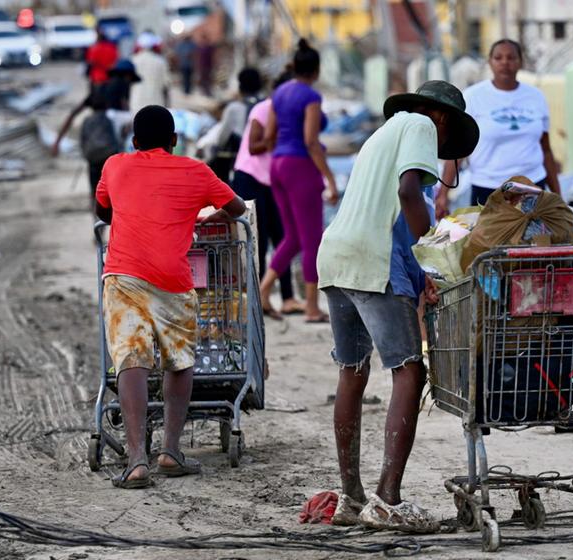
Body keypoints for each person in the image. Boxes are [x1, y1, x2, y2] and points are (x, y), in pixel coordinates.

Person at [315, 81, 478, 532]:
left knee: (352, 371)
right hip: (372, 262)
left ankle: (351, 497)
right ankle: (388, 498)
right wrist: (433, 255)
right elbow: (408, 194)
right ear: (442, 118)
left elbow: (393, 209)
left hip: (336, 256)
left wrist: (419, 269)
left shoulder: (382, 135)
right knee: (409, 370)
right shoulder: (422, 125)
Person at [96, 105, 247, 489]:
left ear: (134, 141)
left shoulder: (115, 165)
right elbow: (237, 208)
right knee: (179, 361)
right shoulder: (196, 171)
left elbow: (104, 211)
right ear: (175, 140)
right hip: (173, 281)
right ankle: (170, 451)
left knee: (131, 358)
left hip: (124, 276)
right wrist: (204, 214)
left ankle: (136, 461)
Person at [259, 40, 338, 322]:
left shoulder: (279, 93)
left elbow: (268, 136)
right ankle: (312, 307)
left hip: (278, 165)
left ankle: (263, 290)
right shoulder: (311, 97)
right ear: (316, 70)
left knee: (293, 237)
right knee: (311, 238)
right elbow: (311, 141)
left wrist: (281, 157)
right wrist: (330, 179)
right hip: (300, 167)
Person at [438, 39, 560, 216]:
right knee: (488, 235)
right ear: (490, 62)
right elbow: (458, 151)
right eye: (498, 58)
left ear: (520, 62)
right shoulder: (473, 97)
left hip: (532, 187)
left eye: (511, 57)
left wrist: (558, 196)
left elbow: (546, 149)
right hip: (487, 189)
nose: (505, 62)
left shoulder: (536, 97)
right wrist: (443, 195)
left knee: (533, 234)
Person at [230, 70, 301, 318]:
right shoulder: (263, 109)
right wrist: (277, 138)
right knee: (257, 238)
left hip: (274, 180)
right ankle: (259, 299)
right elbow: (254, 146)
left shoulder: (294, 114)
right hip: (251, 178)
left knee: (283, 236)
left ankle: (288, 297)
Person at [52, 59, 142, 158]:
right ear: (128, 76)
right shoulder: (124, 84)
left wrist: (57, 142)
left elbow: (73, 114)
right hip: (114, 146)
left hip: (95, 146)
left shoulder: (98, 90)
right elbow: (124, 108)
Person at [130, 42, 169, 111]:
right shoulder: (160, 61)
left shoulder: (133, 60)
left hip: (137, 101)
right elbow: (166, 82)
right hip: (156, 101)